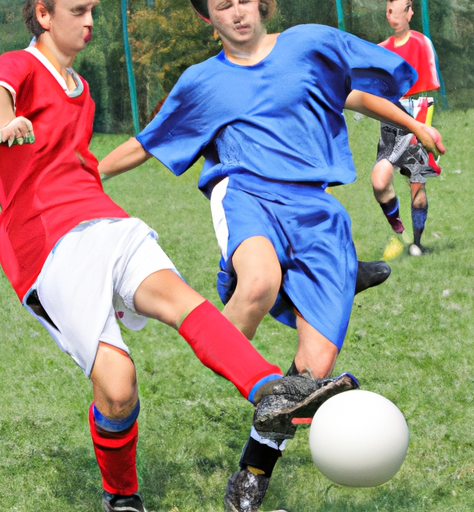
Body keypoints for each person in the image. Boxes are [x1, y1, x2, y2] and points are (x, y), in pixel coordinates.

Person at [0, 1, 359, 511]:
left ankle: (273, 390)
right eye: (77, 10)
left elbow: (81, 165)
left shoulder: (82, 91)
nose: (90, 21)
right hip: (46, 243)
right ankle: (122, 496)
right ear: (43, 15)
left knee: (182, 301)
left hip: (109, 222)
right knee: (118, 390)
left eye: (93, 10)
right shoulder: (21, 66)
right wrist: (5, 122)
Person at [98, 1, 445, 510]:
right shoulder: (201, 82)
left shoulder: (307, 45)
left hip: (317, 212)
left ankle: (250, 476)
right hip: (248, 193)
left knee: (311, 374)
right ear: (207, 18)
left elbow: (354, 92)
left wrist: (415, 128)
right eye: (221, 6)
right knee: (257, 281)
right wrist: (84, 177)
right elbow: (147, 143)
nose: (237, 12)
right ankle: (236, 333)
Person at [372, 0, 443, 256]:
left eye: (405, 7)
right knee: (380, 180)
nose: (394, 14)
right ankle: (400, 232)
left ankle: (417, 242)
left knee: (417, 183)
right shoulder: (380, 50)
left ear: (409, 13)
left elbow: (427, 87)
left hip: (417, 113)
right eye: (390, 9)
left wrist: (422, 126)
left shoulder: (421, 43)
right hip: (391, 117)